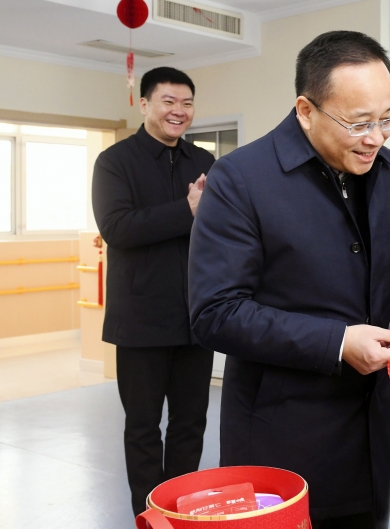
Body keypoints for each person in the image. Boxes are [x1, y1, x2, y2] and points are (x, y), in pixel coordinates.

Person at [187, 31, 390, 529]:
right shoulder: (240, 180)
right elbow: (216, 313)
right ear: (306, 110)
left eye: (387, 118)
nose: (377, 137)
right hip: (282, 432)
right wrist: (338, 342)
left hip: (372, 426)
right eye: (360, 123)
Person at [92, 67, 214, 516]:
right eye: (168, 101)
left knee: (191, 423)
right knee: (143, 428)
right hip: (141, 321)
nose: (178, 111)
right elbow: (117, 228)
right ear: (144, 104)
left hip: (196, 318)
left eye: (187, 103)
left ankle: (180, 511)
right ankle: (150, 517)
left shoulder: (204, 161)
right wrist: (187, 209)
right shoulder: (115, 162)